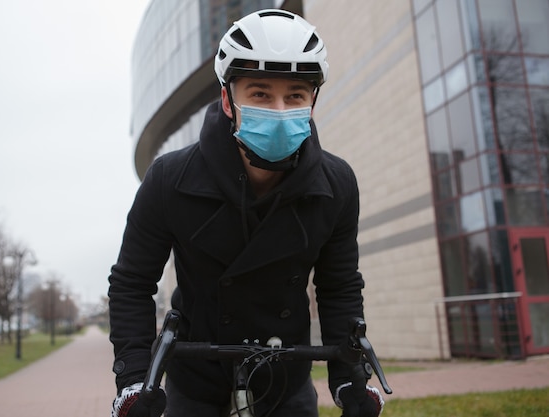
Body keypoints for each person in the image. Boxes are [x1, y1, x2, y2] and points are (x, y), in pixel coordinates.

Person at [109, 8, 384, 417]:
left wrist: (349, 380)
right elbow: (132, 283)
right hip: (195, 379)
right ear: (227, 99)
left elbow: (339, 285)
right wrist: (133, 379)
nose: (277, 109)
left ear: (312, 101)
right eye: (259, 94)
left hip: (285, 379)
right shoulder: (169, 178)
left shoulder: (337, 184)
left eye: (294, 95)